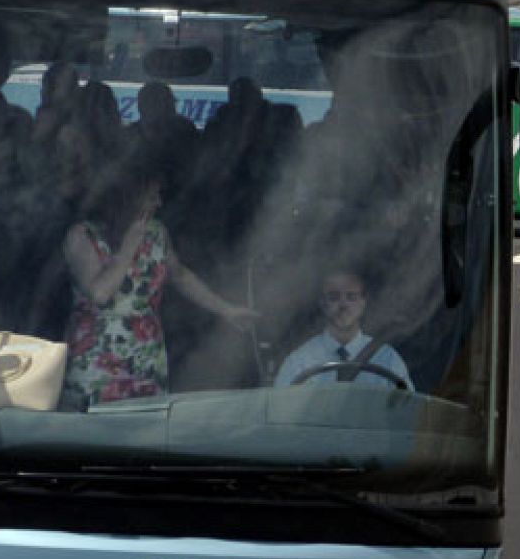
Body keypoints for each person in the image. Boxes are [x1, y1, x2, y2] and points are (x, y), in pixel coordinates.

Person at [62, 150, 258, 406]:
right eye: (152, 196)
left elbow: (180, 274)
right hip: (98, 362)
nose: (159, 203)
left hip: (146, 359)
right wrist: (128, 249)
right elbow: (100, 293)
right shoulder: (82, 236)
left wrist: (226, 310)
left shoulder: (156, 232)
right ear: (129, 197)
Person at [274, 270, 412, 389]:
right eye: (334, 297)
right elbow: (280, 412)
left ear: (363, 302)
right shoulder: (299, 362)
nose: (343, 304)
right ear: (322, 303)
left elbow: (408, 411)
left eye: (351, 297)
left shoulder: (388, 359)